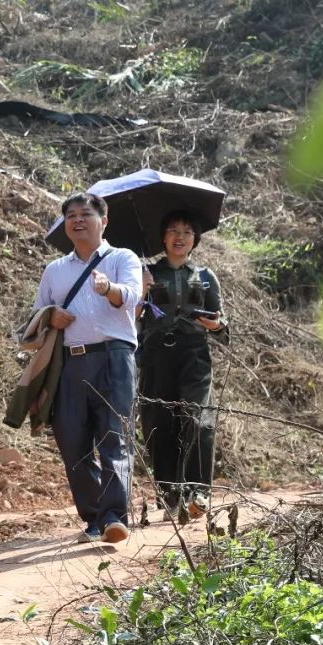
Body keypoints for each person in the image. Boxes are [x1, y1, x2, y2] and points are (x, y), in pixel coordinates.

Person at [31, 193, 142, 544]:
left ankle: (113, 517)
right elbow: (36, 317)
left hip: (114, 356)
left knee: (114, 437)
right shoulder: (55, 270)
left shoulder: (122, 258)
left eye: (86, 214)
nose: (78, 220)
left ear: (103, 221)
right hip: (69, 363)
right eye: (71, 215)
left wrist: (108, 288)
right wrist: (51, 317)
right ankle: (94, 517)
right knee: (72, 441)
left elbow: (133, 296)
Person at [139, 209, 228, 523]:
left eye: (187, 232)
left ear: (195, 240)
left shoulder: (205, 276)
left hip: (194, 354)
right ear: (163, 237)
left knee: (199, 418)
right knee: (158, 421)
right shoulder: (145, 272)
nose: (180, 237)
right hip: (155, 355)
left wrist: (215, 325)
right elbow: (129, 315)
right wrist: (141, 290)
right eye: (173, 230)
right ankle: (169, 495)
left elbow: (222, 323)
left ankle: (197, 494)